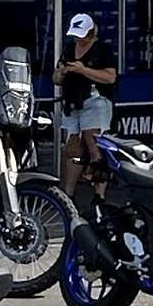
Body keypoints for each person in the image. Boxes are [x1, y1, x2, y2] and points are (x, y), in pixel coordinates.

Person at [54, 12, 118, 201]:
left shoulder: (102, 50)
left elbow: (110, 77)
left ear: (91, 34)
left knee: (95, 144)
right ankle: (69, 194)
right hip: (72, 102)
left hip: (95, 101)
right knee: (72, 148)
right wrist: (61, 73)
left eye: (81, 37)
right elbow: (56, 78)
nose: (78, 40)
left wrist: (83, 70)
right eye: (76, 37)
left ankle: (100, 195)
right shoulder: (68, 49)